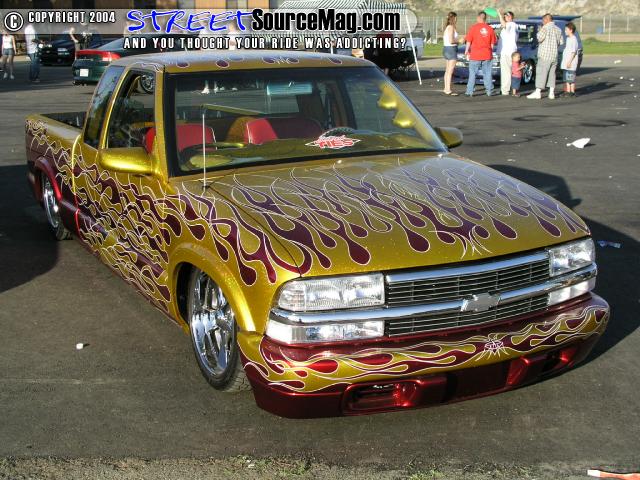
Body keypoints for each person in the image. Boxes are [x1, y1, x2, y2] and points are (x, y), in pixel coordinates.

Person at [527, 14, 563, 100]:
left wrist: (540, 30)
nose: (542, 22)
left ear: (547, 20)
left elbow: (539, 38)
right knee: (552, 74)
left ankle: (538, 92)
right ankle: (551, 93)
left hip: (545, 55)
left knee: (541, 73)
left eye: (543, 20)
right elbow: (561, 42)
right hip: (554, 55)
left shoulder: (545, 28)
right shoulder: (558, 29)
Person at [464, 11, 497, 97]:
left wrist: (466, 50)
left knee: (472, 74)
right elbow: (492, 44)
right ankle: (489, 91)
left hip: (475, 55)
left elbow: (468, 41)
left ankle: (469, 91)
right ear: (485, 18)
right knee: (487, 73)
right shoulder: (490, 29)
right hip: (487, 54)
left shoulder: (473, 28)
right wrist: (489, 51)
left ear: (478, 18)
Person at [497, 9, 518, 96]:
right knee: (509, 71)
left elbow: (504, 25)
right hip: (509, 51)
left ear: (511, 17)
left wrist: (499, 15)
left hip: (507, 52)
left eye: (507, 15)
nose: (505, 17)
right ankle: (508, 88)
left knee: (506, 72)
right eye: (505, 15)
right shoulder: (512, 26)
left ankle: (505, 90)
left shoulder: (511, 24)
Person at [442, 11, 461, 96]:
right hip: (451, 49)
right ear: (454, 18)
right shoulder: (451, 27)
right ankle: (448, 89)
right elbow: (451, 40)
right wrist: (459, 41)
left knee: (447, 70)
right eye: (456, 18)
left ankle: (446, 88)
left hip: (446, 49)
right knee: (450, 71)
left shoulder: (447, 27)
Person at [560, 22, 579, 97]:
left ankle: (572, 92)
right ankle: (568, 91)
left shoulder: (573, 39)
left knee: (571, 77)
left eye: (566, 30)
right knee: (567, 78)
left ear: (571, 30)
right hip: (566, 62)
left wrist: (569, 62)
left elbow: (573, 52)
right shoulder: (568, 39)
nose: (565, 31)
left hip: (570, 63)